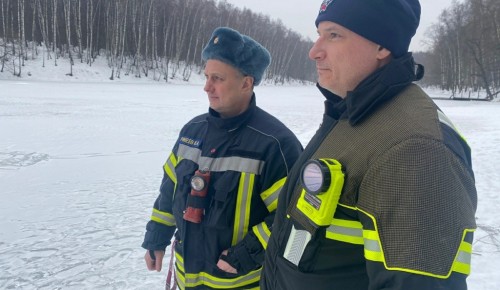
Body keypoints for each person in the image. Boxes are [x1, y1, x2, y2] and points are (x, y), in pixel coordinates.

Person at [260, 0, 477, 289]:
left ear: (382, 45)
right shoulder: (353, 117)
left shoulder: (415, 149)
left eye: (334, 35)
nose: (315, 51)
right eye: (319, 33)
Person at [142, 27, 302, 289]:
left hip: (238, 281)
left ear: (246, 83)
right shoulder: (191, 132)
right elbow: (169, 190)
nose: (206, 86)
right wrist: (156, 238)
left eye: (217, 78)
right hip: (186, 279)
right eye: (206, 76)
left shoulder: (275, 144)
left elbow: (293, 216)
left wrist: (246, 254)